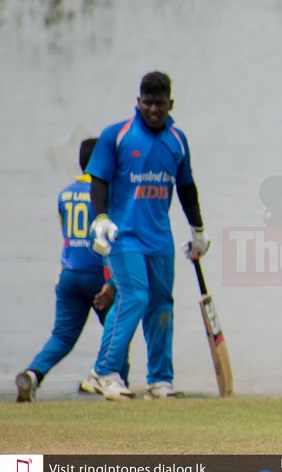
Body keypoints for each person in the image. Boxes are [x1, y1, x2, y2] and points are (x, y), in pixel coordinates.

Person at [86, 71, 210, 401]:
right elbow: (99, 180)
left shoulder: (177, 140)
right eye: (148, 103)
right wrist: (101, 218)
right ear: (138, 102)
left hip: (160, 239)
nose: (153, 109)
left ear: (171, 104)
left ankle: (160, 382)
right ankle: (104, 372)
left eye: (160, 104)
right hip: (124, 235)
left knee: (161, 305)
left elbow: (186, 188)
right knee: (135, 296)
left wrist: (198, 230)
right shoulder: (117, 135)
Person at [15, 138, 128, 403]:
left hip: (68, 275)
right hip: (99, 275)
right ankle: (117, 381)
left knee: (62, 336)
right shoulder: (105, 193)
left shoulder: (65, 194)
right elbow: (107, 240)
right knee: (118, 330)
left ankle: (33, 374)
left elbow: (66, 234)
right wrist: (111, 280)